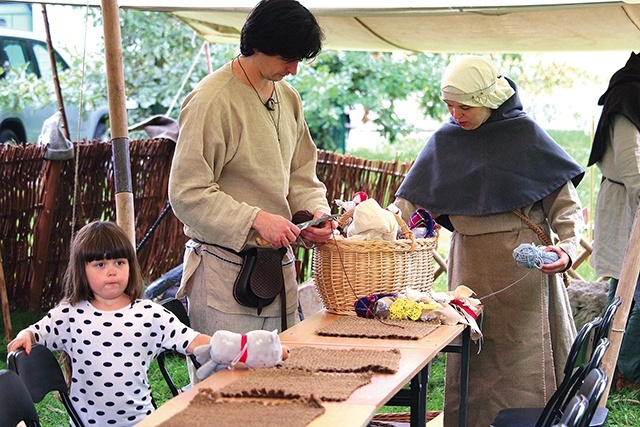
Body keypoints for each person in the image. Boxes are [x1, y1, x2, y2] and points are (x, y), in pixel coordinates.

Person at [394, 55, 585, 427]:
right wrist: (378, 222)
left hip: (524, 270)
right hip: (469, 268)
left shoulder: (525, 135)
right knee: (475, 360)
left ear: (489, 98)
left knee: (525, 361)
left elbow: (565, 206)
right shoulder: (445, 140)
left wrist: (567, 249)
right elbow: (408, 203)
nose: (456, 114)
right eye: (449, 105)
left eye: (465, 106)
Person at [168, 0, 333, 346]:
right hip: (225, 276)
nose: (294, 69)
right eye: (287, 58)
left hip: (279, 273)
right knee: (228, 392)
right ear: (259, 44)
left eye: (299, 60)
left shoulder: (288, 97)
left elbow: (301, 171)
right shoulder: (211, 100)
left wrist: (314, 213)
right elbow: (187, 192)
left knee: (280, 388)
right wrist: (256, 219)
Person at [7, 221, 211, 427]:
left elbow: (192, 340)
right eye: (100, 264)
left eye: (119, 262)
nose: (112, 271)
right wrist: (25, 335)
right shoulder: (69, 315)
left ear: (131, 266)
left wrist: (232, 348)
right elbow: (37, 332)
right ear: (82, 270)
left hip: (143, 423)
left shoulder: (149, 314)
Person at [588, 51, 640, 390]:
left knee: (623, 289)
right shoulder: (629, 93)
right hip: (630, 201)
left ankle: (610, 365)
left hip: (631, 198)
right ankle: (625, 370)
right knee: (628, 288)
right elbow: (630, 159)